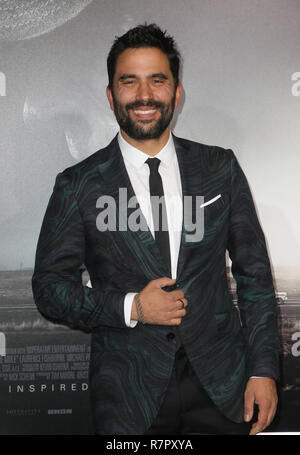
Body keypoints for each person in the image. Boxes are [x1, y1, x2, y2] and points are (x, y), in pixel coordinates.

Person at [32, 23, 280, 435]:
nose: (144, 95)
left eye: (157, 80)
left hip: (224, 387)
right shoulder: (78, 184)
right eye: (129, 82)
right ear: (111, 96)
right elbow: (49, 288)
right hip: (129, 394)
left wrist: (264, 369)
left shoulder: (220, 168)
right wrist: (133, 307)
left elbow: (254, 278)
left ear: (177, 92)